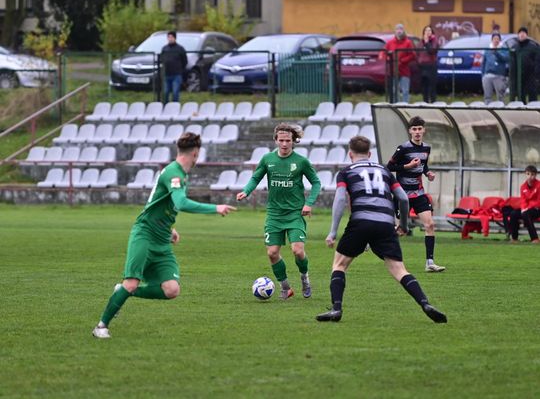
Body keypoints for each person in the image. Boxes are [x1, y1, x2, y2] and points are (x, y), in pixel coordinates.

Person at [92, 133, 236, 338]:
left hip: (161, 238)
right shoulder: (174, 173)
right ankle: (101, 327)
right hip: (145, 234)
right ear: (195, 153)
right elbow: (181, 203)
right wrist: (215, 208)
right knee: (131, 282)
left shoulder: (179, 173)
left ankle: (121, 292)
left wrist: (169, 228)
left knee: (171, 289)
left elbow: (161, 204)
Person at [316, 136, 447, 323]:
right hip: (385, 223)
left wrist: (333, 232)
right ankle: (425, 303)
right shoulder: (384, 171)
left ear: (350, 154)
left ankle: (336, 309)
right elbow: (403, 198)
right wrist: (404, 225)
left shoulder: (345, 172)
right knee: (399, 270)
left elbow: (340, 199)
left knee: (339, 265)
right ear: (369, 154)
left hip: (360, 222)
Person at [236, 123, 321, 299]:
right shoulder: (268, 159)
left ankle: (305, 278)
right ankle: (285, 287)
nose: (284, 144)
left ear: (293, 141)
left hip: (295, 213)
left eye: (288, 140)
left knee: (298, 251)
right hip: (274, 214)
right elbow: (255, 178)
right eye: (281, 140)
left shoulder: (301, 162)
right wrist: (246, 191)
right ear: (275, 140)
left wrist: (309, 203)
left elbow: (316, 182)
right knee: (272, 253)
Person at [387, 116, 445, 272]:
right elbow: (389, 167)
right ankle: (371, 239)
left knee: (430, 224)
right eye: (414, 129)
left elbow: (423, 166)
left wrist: (428, 173)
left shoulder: (426, 148)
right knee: (400, 230)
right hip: (402, 195)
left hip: (419, 193)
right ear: (410, 131)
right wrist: (408, 166)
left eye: (420, 129)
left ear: (424, 130)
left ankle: (430, 263)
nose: (417, 132)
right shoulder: (403, 148)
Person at [383, 23, 416, 103]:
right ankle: (395, 105)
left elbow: (412, 55)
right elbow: (383, 53)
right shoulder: (390, 42)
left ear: (403, 30)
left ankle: (405, 106)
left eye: (401, 29)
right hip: (393, 70)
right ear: (395, 31)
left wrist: (402, 61)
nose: (399, 31)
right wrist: (388, 59)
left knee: (405, 90)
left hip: (404, 70)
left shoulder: (408, 42)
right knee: (394, 90)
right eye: (397, 29)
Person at [509, 165, 540, 243]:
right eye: (528, 174)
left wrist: (526, 210)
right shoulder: (523, 187)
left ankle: (535, 238)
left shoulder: (539, 185)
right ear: (525, 174)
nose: (530, 176)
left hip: (537, 209)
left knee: (526, 214)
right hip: (527, 210)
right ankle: (514, 238)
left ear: (535, 175)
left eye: (532, 174)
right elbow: (523, 201)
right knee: (513, 213)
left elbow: (538, 201)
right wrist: (523, 209)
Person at [482, 32, 509, 104]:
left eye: (497, 39)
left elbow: (505, 59)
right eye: (494, 39)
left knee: (501, 96)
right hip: (487, 75)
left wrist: (496, 52)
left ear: (500, 40)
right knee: (487, 96)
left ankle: (501, 108)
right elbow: (483, 63)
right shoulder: (487, 50)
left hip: (499, 76)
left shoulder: (504, 49)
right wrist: (483, 75)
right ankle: (487, 108)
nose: (496, 40)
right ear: (492, 40)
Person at [161, 31, 188, 103]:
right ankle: (165, 106)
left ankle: (175, 106)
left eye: (171, 37)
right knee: (165, 92)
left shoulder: (180, 48)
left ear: (175, 38)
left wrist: (180, 70)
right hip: (167, 74)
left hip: (176, 74)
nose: (170, 39)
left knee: (175, 92)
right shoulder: (164, 48)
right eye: (168, 37)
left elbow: (185, 61)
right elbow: (162, 59)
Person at [515, 26, 539, 104]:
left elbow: (537, 60)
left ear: (526, 35)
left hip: (531, 75)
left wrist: (536, 72)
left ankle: (533, 108)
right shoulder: (515, 47)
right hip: (519, 76)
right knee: (521, 95)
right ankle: (522, 108)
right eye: (520, 33)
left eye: (524, 33)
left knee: (532, 94)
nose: (522, 34)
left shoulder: (533, 46)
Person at [418, 25, 439, 103]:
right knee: (424, 86)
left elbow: (432, 51)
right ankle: (425, 101)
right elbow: (417, 52)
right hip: (423, 66)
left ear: (432, 32)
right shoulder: (421, 42)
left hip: (431, 65)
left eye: (429, 30)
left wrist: (427, 42)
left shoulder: (435, 41)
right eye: (426, 30)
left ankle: (433, 102)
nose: (428, 32)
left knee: (432, 85)